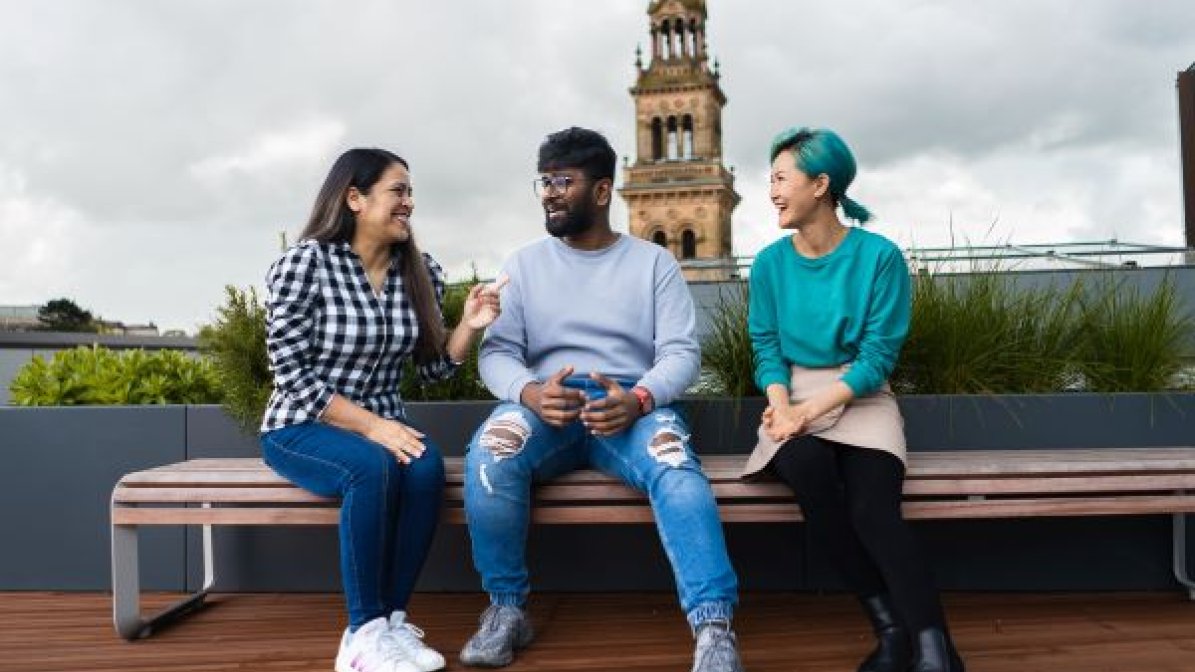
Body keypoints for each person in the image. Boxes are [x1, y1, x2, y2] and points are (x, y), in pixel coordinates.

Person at [458, 127, 745, 672]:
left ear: (602, 190)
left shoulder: (654, 264)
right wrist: (530, 393)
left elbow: (681, 355)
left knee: (676, 469)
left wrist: (638, 399)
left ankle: (713, 626)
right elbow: (496, 356)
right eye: (543, 181)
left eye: (563, 180)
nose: (550, 192)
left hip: (632, 409)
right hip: (546, 407)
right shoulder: (522, 265)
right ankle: (505, 609)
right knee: (491, 457)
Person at [259, 148, 503, 672]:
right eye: (398, 191)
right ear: (354, 198)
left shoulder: (420, 272)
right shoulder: (304, 264)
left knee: (426, 469)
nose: (409, 204)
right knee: (371, 469)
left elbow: (435, 369)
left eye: (411, 193)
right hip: (303, 424)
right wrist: (373, 427)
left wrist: (469, 325)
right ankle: (361, 637)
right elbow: (291, 376)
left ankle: (391, 622)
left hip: (382, 426)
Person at [744, 127, 965, 672]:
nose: (770, 190)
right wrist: (782, 404)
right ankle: (890, 632)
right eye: (769, 178)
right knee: (810, 476)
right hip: (792, 390)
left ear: (821, 184)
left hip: (862, 395)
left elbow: (876, 359)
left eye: (780, 178)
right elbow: (766, 347)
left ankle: (937, 651)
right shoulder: (770, 264)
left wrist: (806, 413)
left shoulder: (880, 257)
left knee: (873, 509)